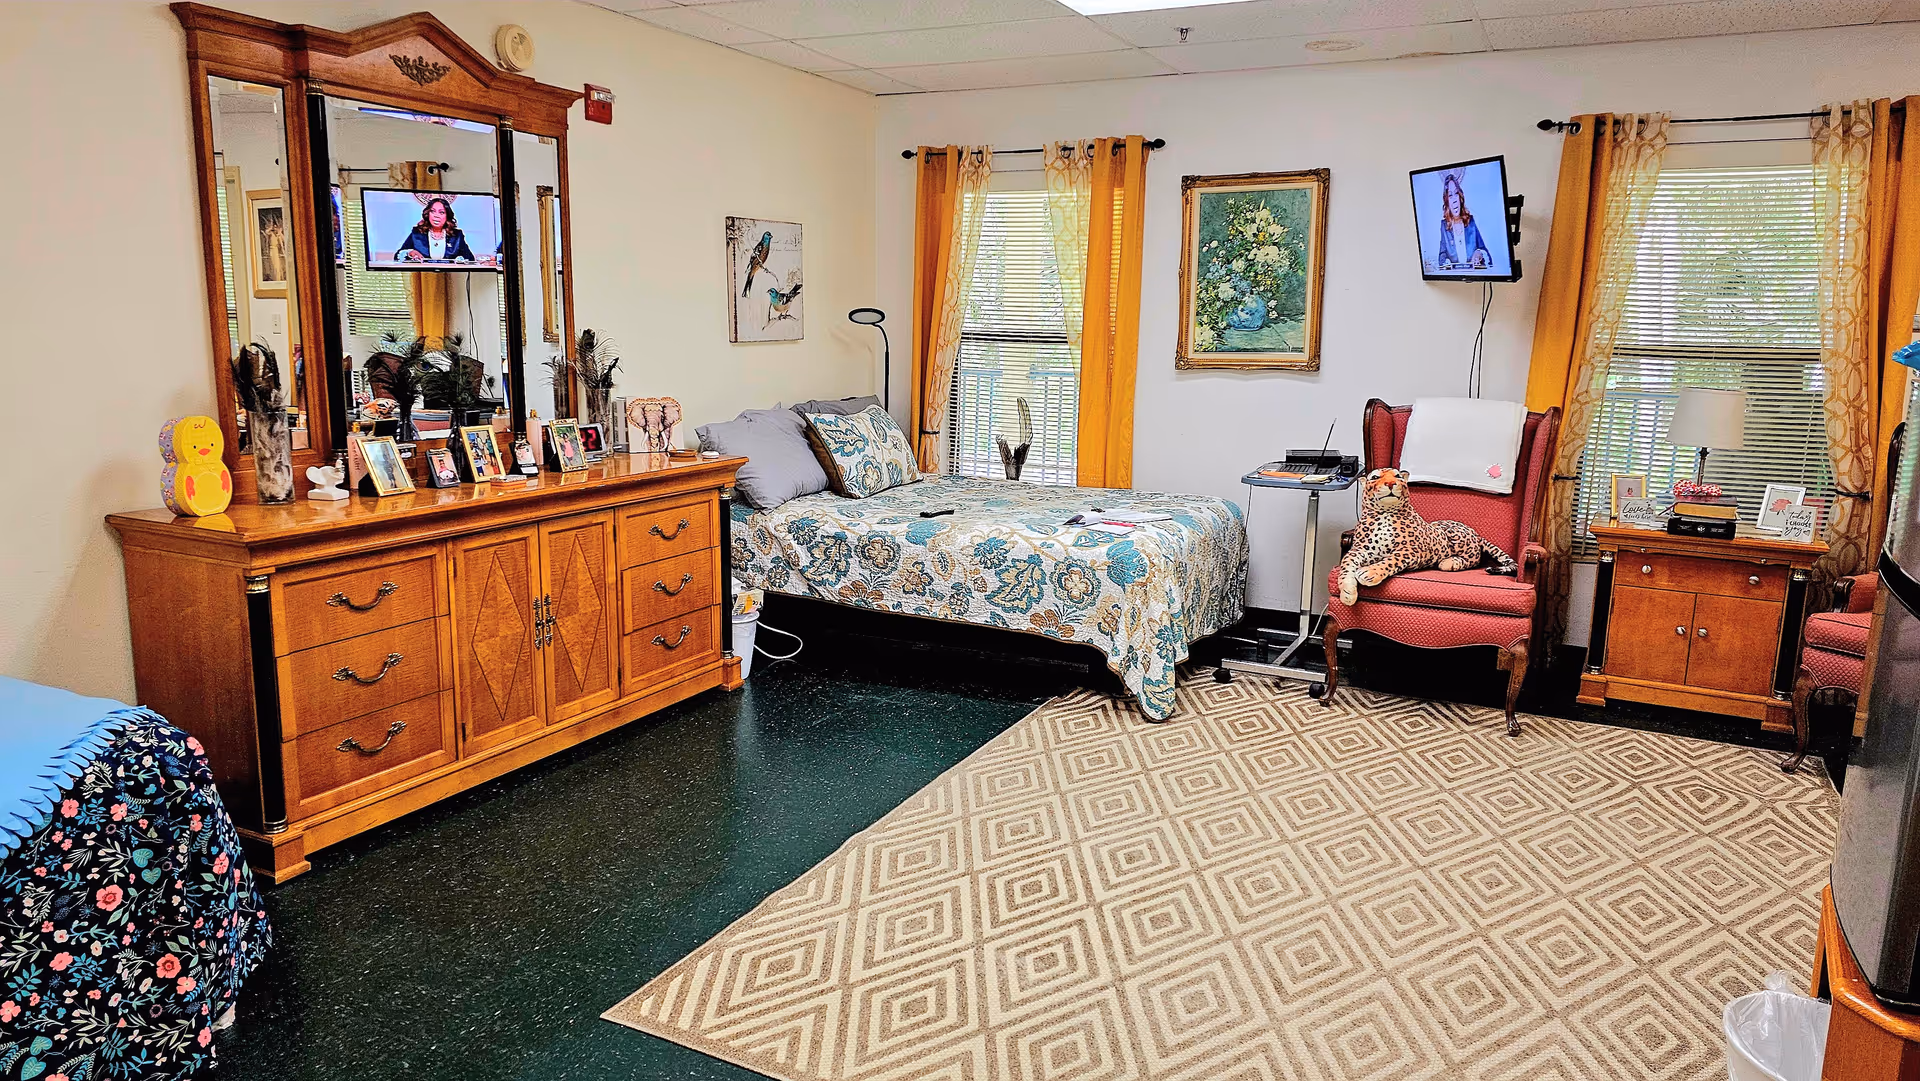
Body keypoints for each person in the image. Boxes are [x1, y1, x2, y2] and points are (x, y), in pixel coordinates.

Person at [1434, 173, 1491, 270]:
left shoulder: (1470, 222)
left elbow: (1485, 252)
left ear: (1460, 198)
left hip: (1474, 275)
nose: (1454, 200)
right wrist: (1445, 263)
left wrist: (1479, 254)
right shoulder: (1444, 226)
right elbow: (1442, 255)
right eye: (1450, 195)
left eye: (1456, 193)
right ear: (1447, 201)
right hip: (1454, 277)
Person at [394, 197, 476, 263]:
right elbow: (397, 256)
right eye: (433, 211)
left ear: (447, 216)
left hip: (449, 277)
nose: (436, 216)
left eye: (441, 212)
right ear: (428, 214)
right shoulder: (417, 233)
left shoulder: (457, 235)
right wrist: (410, 252)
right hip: (423, 275)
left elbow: (470, 259)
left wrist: (460, 260)